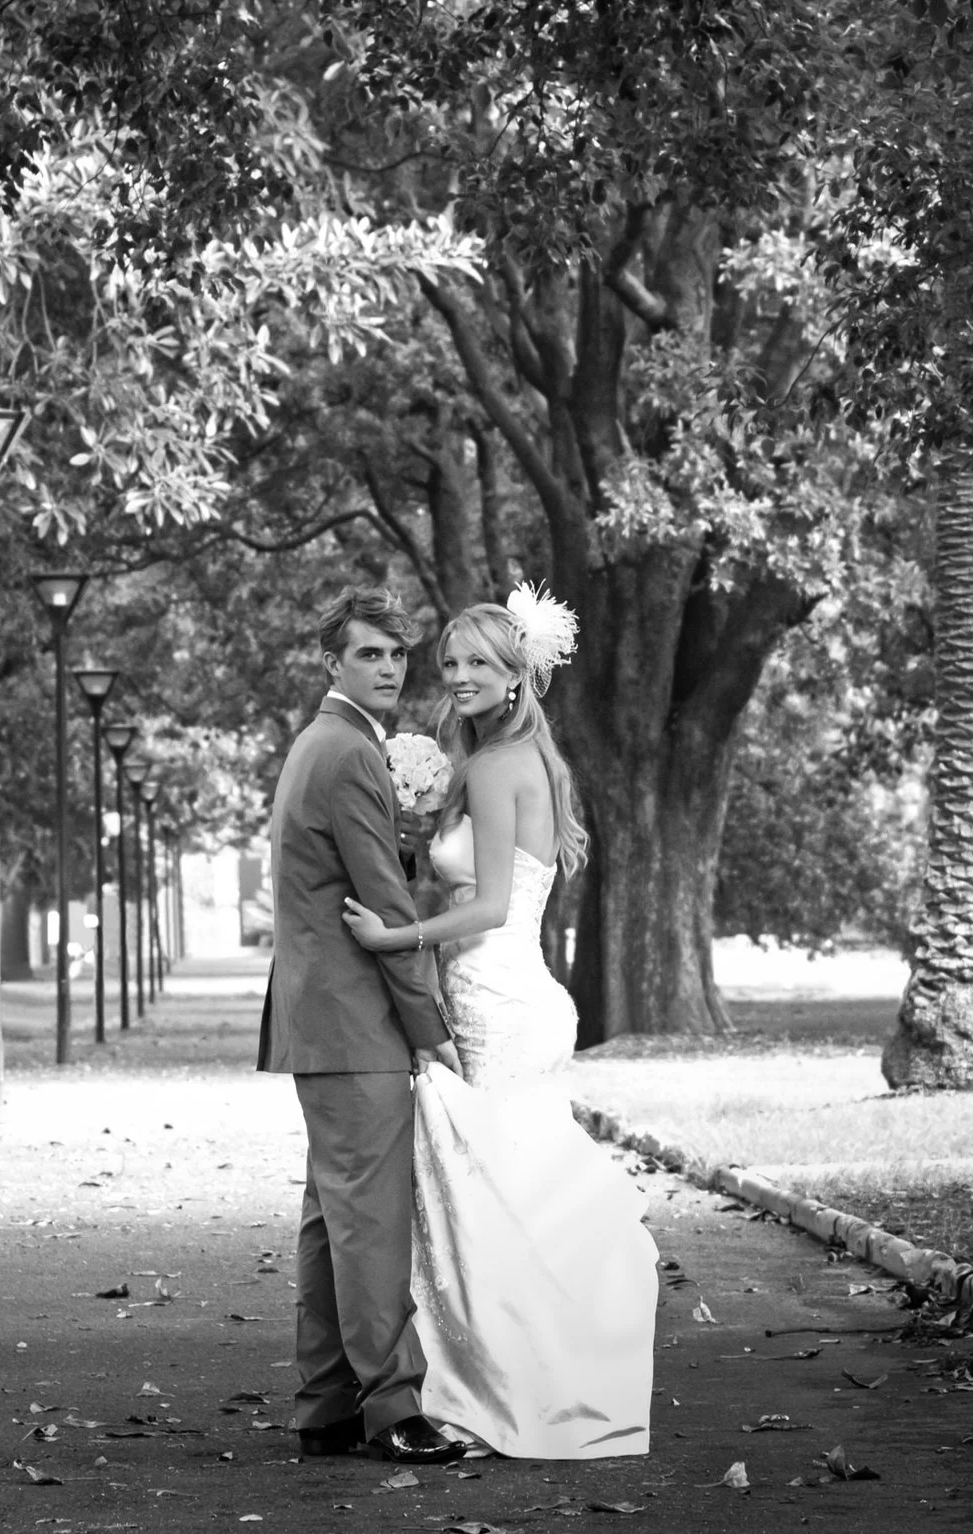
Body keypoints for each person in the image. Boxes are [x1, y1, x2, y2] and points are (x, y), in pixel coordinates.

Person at [340, 584, 657, 1459]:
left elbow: (481, 911)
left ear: (520, 676)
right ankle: (547, 1374)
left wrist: (394, 930)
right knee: (519, 1196)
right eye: (450, 663)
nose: (459, 676)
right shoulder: (535, 763)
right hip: (526, 992)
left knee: (492, 1202)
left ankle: (512, 1386)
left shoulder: (490, 766)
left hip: (496, 996)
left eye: (480, 662)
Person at [257, 586, 467, 1467]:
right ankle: (393, 1409)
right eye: (370, 654)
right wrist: (431, 1028)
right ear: (333, 661)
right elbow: (382, 904)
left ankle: (326, 1405)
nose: (388, 669)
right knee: (370, 1224)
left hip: (325, 1022)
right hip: (355, 1025)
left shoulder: (323, 744)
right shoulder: (346, 753)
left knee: (330, 1221)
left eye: (396, 655)